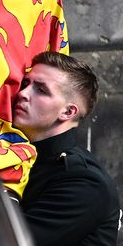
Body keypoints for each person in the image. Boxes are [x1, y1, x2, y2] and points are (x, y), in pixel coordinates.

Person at [12, 51, 121, 245]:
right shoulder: (20, 157)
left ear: (68, 111)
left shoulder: (84, 181)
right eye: (26, 84)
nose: (22, 94)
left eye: (41, 90)